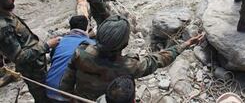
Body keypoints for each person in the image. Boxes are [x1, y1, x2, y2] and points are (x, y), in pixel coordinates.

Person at [60, 15, 204, 101]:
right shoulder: (128, 66)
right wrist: (184, 44)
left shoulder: (81, 52)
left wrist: (70, 98)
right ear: (125, 44)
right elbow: (157, 60)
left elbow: (66, 81)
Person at [0, 0, 60, 102]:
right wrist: (46, 45)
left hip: (36, 63)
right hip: (32, 71)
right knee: (43, 98)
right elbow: (19, 57)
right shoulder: (3, 27)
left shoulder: (7, 13)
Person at [46, 15, 94, 103]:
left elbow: (53, 60)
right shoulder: (92, 45)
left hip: (49, 89)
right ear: (87, 28)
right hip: (69, 94)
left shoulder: (59, 42)